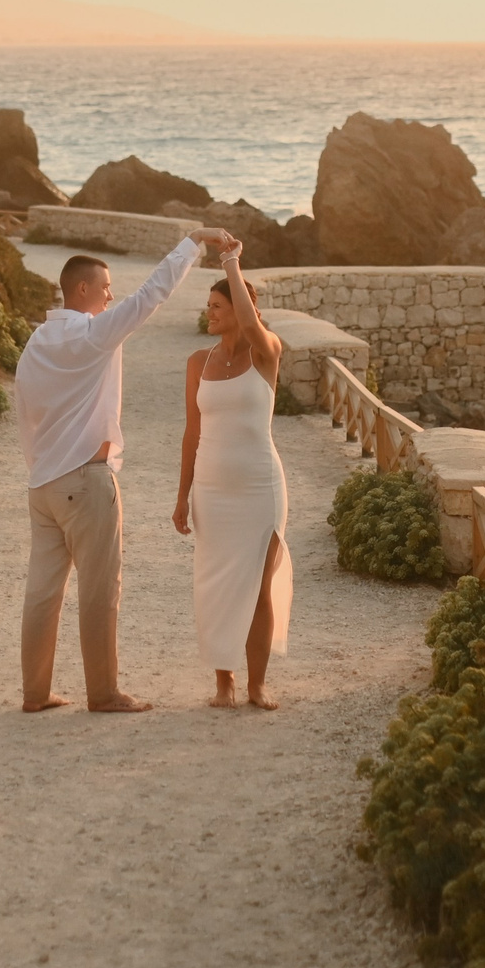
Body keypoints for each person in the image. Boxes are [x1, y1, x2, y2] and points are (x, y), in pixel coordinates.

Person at [15, 225, 233, 713]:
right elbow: (151, 294)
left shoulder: (36, 341)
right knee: (100, 590)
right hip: (85, 483)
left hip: (43, 484)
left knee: (42, 592)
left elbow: (24, 411)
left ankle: (34, 693)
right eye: (106, 287)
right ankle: (104, 693)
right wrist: (194, 241)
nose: (113, 294)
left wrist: (39, 466)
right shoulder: (93, 333)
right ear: (83, 290)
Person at [171, 242, 291, 709]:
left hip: (262, 488)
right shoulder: (197, 363)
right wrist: (181, 497)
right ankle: (224, 684)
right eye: (208, 308)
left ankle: (257, 685)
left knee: (258, 589)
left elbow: (251, 322)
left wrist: (231, 262)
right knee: (216, 584)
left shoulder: (267, 354)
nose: (209, 315)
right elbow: (191, 434)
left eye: (218, 307)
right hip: (212, 492)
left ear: (243, 309)